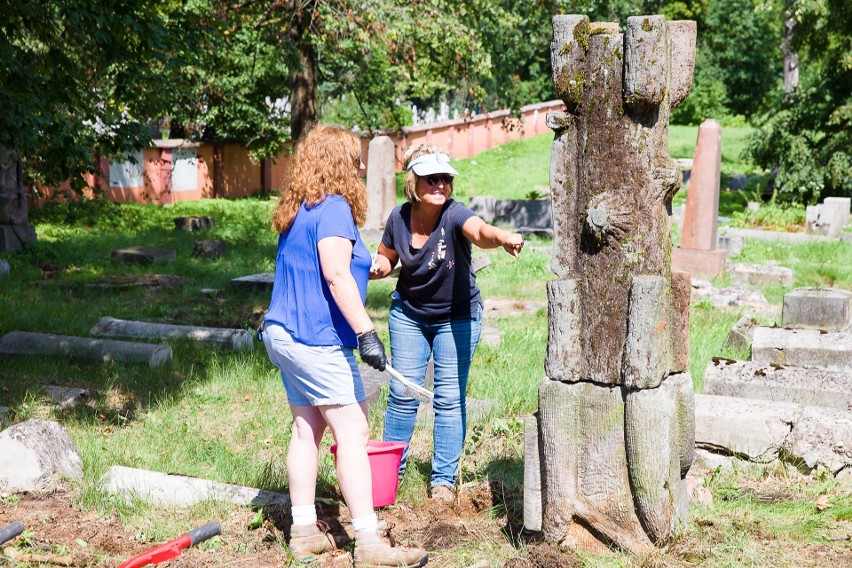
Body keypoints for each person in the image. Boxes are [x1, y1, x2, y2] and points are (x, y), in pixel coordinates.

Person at [262, 125, 428, 567]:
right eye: (354, 158)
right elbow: (334, 275)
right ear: (340, 162)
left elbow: (330, 266)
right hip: (314, 339)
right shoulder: (335, 207)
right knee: (353, 431)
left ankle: (302, 532)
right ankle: (370, 543)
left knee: (306, 429)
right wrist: (367, 334)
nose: (359, 166)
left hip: (281, 332)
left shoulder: (299, 208)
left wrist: (366, 265)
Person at [369, 145, 524, 503]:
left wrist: (501, 238)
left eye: (446, 179)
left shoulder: (454, 215)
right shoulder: (399, 217)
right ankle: (391, 473)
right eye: (431, 178)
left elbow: (480, 231)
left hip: (457, 316)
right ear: (414, 182)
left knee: (449, 399)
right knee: (403, 395)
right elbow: (387, 256)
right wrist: (378, 265)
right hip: (409, 314)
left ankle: (442, 481)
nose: (440, 185)